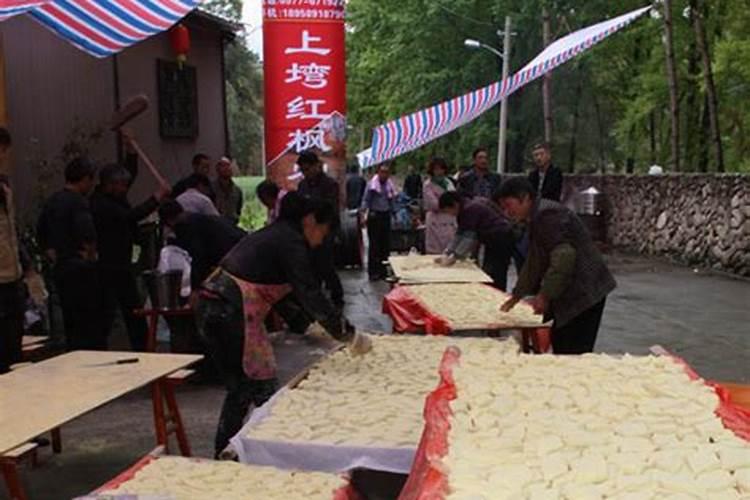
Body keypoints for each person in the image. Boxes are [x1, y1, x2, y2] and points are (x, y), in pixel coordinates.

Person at [195, 192, 372, 457]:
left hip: (217, 305)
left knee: (244, 387)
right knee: (256, 384)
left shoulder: (278, 235)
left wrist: (305, 324)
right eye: (323, 232)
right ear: (311, 221)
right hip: (229, 309)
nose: (321, 240)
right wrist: (346, 333)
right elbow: (309, 292)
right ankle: (268, 447)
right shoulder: (290, 242)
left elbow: (273, 291)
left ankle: (235, 449)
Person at [498, 178, 616, 354]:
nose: (507, 212)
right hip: (573, 289)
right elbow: (534, 262)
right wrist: (517, 296)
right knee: (561, 343)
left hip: (585, 290)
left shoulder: (547, 215)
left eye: (509, 205)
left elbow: (564, 257)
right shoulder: (536, 217)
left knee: (572, 351)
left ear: (525, 198)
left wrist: (544, 296)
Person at [91, 159, 168, 351]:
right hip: (108, 264)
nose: (125, 189)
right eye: (122, 185)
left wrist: (131, 151)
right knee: (108, 310)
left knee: (132, 307)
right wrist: (156, 198)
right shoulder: (100, 203)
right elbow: (130, 216)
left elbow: (130, 175)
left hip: (123, 261)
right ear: (110, 184)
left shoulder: (116, 197)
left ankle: (142, 346)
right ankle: (98, 346)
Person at [37, 158, 103, 350]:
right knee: (88, 323)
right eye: (90, 181)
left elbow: (41, 231)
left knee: (69, 322)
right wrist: (91, 255)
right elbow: (87, 233)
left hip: (61, 267)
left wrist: (50, 252)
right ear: (84, 179)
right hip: (80, 268)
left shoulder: (52, 201)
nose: (91, 185)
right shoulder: (78, 203)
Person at [159, 200, 246, 294]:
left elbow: (198, 258)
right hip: (242, 248)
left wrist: (196, 288)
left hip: (233, 257)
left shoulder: (185, 226)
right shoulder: (197, 219)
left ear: (168, 221)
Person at [436, 190, 515, 291]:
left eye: (448, 211)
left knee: (496, 270)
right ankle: (492, 290)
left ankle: (497, 293)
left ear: (455, 205)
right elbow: (459, 235)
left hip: (501, 237)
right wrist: (447, 253)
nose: (450, 215)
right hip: (492, 238)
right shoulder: (465, 209)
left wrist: (454, 257)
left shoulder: (470, 209)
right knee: (489, 268)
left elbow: (469, 238)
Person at [296, 151, 344, 308]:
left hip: (325, 230)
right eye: (302, 170)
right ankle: (316, 300)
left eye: (308, 169)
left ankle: (337, 297)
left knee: (325, 266)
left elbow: (329, 209)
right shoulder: (302, 185)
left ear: (317, 166)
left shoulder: (329, 184)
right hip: (308, 230)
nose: (306, 173)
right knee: (311, 266)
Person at [0, 127, 27, 373]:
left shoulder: (4, 185)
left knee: (12, 345)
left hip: (11, 274)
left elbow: (10, 229)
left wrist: (24, 264)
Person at [361, 163, 397, 280]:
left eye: (387, 172)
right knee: (374, 245)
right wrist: (363, 214)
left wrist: (394, 213)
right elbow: (366, 200)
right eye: (382, 172)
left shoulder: (389, 185)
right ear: (378, 172)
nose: (384, 175)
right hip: (374, 215)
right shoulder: (372, 185)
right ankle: (373, 272)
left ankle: (384, 271)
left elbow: (392, 201)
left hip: (385, 215)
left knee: (385, 245)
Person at [422, 157, 457, 255]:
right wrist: (447, 204)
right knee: (434, 253)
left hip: (450, 220)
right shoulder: (427, 185)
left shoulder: (449, 183)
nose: (439, 172)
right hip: (435, 221)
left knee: (449, 251)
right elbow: (433, 204)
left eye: (441, 169)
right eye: (436, 169)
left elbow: (455, 199)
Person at [212, 157, 243, 224]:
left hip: (231, 224)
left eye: (228, 166)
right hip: (216, 224)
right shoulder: (211, 188)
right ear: (217, 170)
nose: (226, 168)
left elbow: (238, 208)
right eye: (223, 166)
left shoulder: (237, 190)